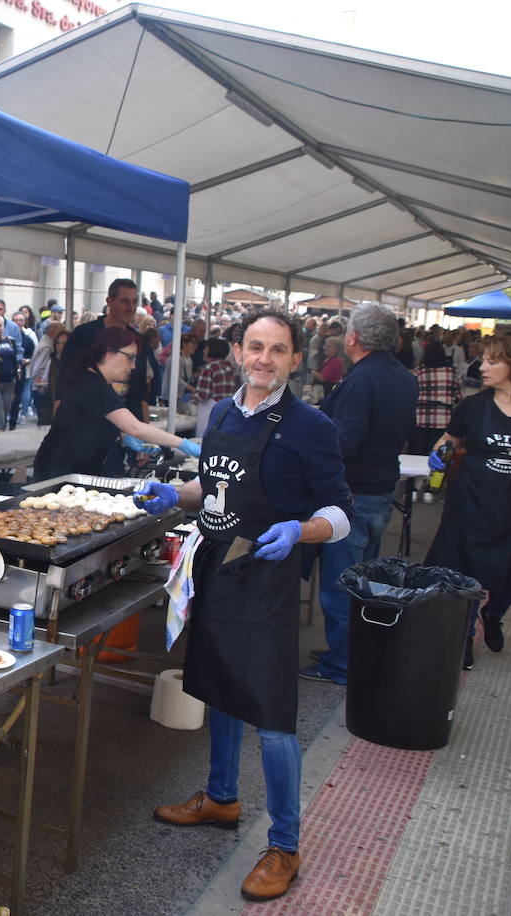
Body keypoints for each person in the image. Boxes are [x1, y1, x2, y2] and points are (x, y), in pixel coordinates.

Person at [137, 309, 352, 904]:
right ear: (236, 351)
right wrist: (175, 494)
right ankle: (221, 797)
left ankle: (285, 844)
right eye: (254, 347)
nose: (264, 359)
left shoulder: (312, 426)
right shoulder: (223, 413)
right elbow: (216, 485)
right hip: (216, 568)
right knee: (223, 686)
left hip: (267, 577)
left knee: (275, 714)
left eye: (277, 350)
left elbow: (341, 511)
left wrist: (302, 530)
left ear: (293, 359)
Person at [304, 304, 417, 685]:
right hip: (381, 488)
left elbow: (345, 442)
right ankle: (348, 653)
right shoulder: (403, 376)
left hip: (353, 494)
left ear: (353, 338)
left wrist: (307, 449)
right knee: (362, 583)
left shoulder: (363, 379)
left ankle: (341, 665)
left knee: (342, 588)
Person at [424, 334, 511, 671]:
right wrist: (437, 455)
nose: (483, 366)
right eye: (484, 359)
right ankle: (463, 635)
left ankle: (493, 614)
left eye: (493, 361)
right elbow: (447, 440)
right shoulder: (473, 406)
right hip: (469, 503)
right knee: (461, 573)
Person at [35, 327, 199, 480]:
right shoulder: (94, 386)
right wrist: (183, 443)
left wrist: (123, 437)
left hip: (75, 468)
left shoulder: (95, 381)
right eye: (130, 357)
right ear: (109, 353)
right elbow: (136, 428)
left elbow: (91, 422)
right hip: (59, 470)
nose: (133, 366)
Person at [59, 279, 154, 472]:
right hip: (81, 434)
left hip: (120, 432)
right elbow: (64, 384)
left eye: (134, 302)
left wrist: (140, 436)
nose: (131, 307)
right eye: (124, 301)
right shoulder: (84, 335)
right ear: (109, 301)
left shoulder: (137, 341)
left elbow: (138, 393)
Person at [410, 340, 462, 502]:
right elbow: (458, 397)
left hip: (420, 418)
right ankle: (430, 490)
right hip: (442, 420)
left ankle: (412, 489)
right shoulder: (451, 373)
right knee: (439, 458)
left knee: (416, 453)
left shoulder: (418, 372)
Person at [193, 338, 238, 437]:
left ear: (213, 350)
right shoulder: (228, 366)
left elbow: (202, 394)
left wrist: (193, 399)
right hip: (225, 409)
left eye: (206, 348)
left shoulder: (210, 367)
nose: (204, 351)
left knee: (204, 439)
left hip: (208, 409)